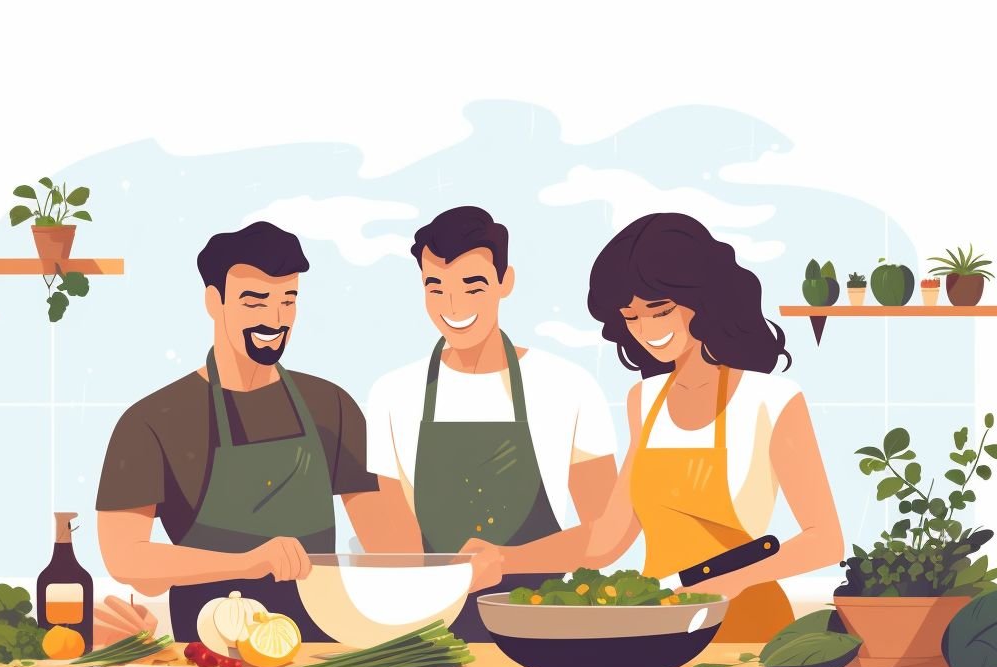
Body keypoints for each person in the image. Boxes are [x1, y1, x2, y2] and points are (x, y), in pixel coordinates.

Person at [479, 212, 844, 642]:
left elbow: (825, 540)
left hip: (746, 623)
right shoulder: (645, 401)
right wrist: (503, 559)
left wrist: (726, 584)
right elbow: (607, 540)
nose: (647, 331)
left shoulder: (771, 400)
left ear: (703, 299)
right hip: (659, 620)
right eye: (631, 317)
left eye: (660, 310)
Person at [95, 221, 409, 643]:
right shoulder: (153, 420)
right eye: (254, 301)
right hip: (210, 650)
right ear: (214, 301)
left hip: (325, 647)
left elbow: (389, 545)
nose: (275, 320)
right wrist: (248, 563)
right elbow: (127, 559)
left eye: (288, 301)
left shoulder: (330, 405)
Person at [365, 206, 618, 641]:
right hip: (430, 624)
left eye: (472, 286)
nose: (453, 306)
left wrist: (505, 561)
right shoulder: (392, 394)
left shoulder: (567, 385)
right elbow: (394, 539)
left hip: (544, 617)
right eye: (435, 287)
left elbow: (606, 534)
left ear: (506, 282)